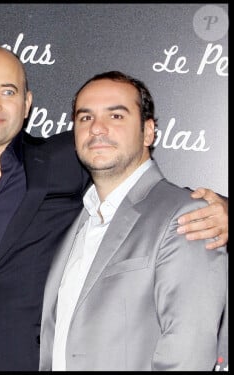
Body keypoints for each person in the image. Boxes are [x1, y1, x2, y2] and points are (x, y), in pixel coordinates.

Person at [0, 46, 229, 371]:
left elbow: (144, 193)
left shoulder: (64, 158)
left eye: (8, 91)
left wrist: (221, 209)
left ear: (26, 104)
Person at [38, 71, 228, 370]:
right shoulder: (80, 218)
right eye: (85, 118)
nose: (97, 129)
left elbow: (187, 354)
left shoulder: (187, 215)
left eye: (115, 116)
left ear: (148, 132)